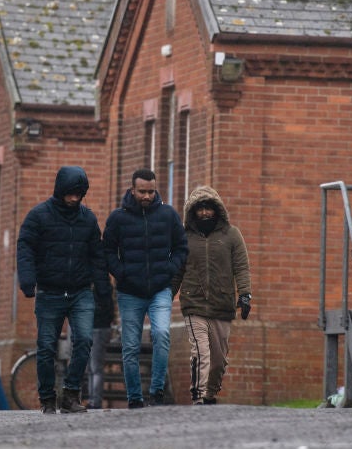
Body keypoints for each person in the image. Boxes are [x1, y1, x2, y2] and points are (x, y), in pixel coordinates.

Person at [17, 165, 112, 414]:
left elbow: (97, 256)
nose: (74, 198)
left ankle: (71, 395)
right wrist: (28, 280)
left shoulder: (87, 219)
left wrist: (103, 289)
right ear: (60, 191)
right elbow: (25, 247)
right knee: (47, 346)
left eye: (78, 194)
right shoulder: (38, 216)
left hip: (81, 291)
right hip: (49, 291)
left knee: (84, 341)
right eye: (70, 193)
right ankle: (47, 398)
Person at [102, 168, 188, 409]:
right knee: (130, 346)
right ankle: (135, 398)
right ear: (133, 190)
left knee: (161, 335)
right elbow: (107, 250)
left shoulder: (168, 215)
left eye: (151, 191)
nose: (148, 196)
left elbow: (182, 247)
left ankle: (156, 392)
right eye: (142, 191)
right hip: (129, 292)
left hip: (160, 289)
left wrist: (169, 269)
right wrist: (121, 273)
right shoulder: (118, 218)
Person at [171, 185, 252, 405]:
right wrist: (166, 295)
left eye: (209, 208)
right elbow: (177, 270)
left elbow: (241, 267)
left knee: (218, 359)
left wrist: (245, 294)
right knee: (200, 351)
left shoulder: (232, 235)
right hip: (193, 304)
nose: (205, 212)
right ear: (192, 211)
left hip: (222, 305)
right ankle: (198, 395)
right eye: (200, 208)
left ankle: (210, 394)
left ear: (217, 210)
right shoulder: (184, 237)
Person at [84, 287, 115, 410]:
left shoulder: (97, 286)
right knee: (92, 367)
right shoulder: (103, 285)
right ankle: (93, 400)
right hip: (96, 327)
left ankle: (95, 401)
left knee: (94, 367)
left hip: (96, 327)